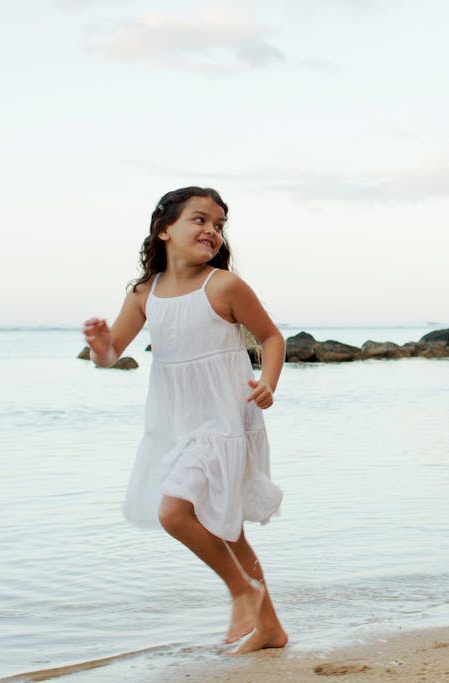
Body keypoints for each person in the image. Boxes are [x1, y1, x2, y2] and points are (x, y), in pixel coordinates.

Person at [83, 186, 288, 653]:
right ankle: (271, 628)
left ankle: (243, 593)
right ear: (164, 230)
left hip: (225, 420)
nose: (212, 231)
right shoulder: (144, 293)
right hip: (176, 424)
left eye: (219, 225)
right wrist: (99, 346)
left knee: (175, 513)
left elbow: (271, 336)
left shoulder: (224, 286)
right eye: (200, 220)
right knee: (225, 529)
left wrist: (269, 381)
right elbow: (113, 354)